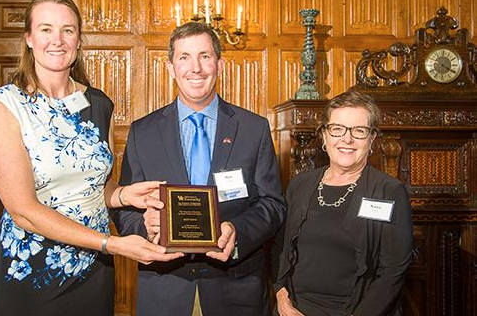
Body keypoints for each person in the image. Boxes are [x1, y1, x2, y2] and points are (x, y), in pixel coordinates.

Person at [0, 0, 182, 316]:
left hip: (93, 271)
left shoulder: (98, 104)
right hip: (32, 271)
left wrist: (124, 195)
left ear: (78, 40)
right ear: (29, 38)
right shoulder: (4, 105)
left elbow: (95, 187)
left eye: (68, 30)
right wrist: (112, 244)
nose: (57, 40)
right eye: (46, 29)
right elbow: (24, 211)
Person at [111, 22, 286, 316]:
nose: (196, 68)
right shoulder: (143, 132)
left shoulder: (253, 129)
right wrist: (144, 227)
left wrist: (237, 231)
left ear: (219, 64)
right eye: (184, 57)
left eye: (205, 56)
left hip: (235, 288)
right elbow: (124, 203)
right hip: (164, 289)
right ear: (170, 68)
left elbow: (273, 204)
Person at [274, 89, 413, 316]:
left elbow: (393, 272)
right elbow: (280, 248)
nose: (346, 139)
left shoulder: (389, 191)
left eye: (358, 131)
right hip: (293, 310)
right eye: (337, 129)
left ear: (372, 138)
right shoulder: (300, 184)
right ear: (324, 135)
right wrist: (282, 299)